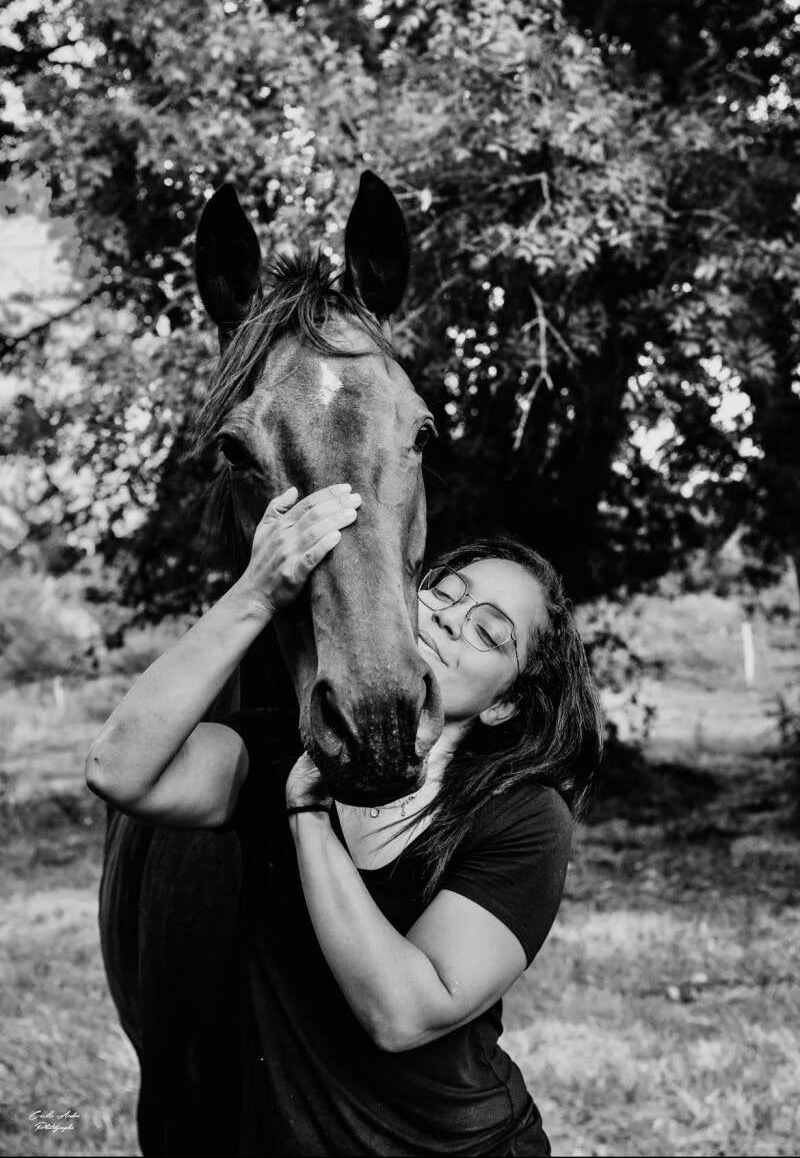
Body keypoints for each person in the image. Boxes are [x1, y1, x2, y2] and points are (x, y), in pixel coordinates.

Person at [87, 481, 603, 1157]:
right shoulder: (273, 752)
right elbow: (119, 770)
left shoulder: (524, 815)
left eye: (488, 632)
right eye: (443, 594)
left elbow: (403, 1014)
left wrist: (308, 814)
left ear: (504, 703)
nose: (451, 619)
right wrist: (256, 593)